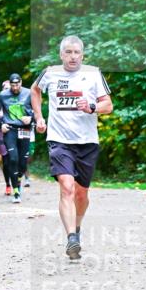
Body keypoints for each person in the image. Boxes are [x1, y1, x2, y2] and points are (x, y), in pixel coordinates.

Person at [30, 36, 112, 259]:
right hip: (59, 139)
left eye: (76, 52)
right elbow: (34, 90)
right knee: (66, 187)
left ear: (82, 55)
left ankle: (76, 228)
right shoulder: (50, 73)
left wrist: (92, 106)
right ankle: (71, 239)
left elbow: (109, 105)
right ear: (61, 55)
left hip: (87, 141)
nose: (72, 56)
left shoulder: (93, 74)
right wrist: (39, 117)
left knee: (81, 193)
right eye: (68, 52)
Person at [0, 73, 34, 203]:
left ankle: (18, 180)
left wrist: (31, 118)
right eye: (13, 85)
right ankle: (16, 191)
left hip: (24, 130)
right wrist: (1, 124)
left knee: (23, 164)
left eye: (17, 84)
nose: (15, 88)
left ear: (21, 83)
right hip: (10, 130)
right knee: (12, 159)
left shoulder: (29, 93)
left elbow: (37, 110)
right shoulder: (3, 95)